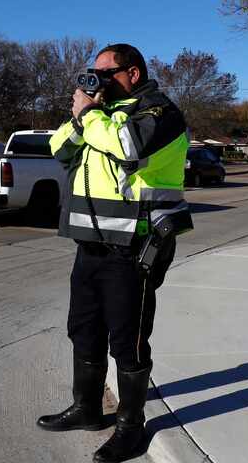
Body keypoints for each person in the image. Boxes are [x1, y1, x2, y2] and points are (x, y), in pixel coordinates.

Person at [38, 43, 192, 463]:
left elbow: (127, 147)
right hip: (89, 247)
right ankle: (87, 409)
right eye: (94, 73)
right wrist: (79, 115)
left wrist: (90, 115)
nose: (98, 81)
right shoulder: (100, 116)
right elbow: (58, 149)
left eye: (107, 73)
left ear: (133, 73)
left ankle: (130, 426)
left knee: (129, 342)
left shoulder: (160, 113)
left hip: (134, 248)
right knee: (83, 331)